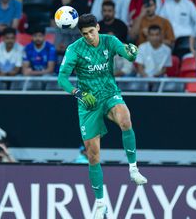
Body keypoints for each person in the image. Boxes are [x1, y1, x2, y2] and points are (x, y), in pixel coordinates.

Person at [57, 14, 147, 219]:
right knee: (93, 154)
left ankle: (133, 168)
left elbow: (127, 53)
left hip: (109, 93)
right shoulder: (74, 49)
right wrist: (78, 93)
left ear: (97, 27)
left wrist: (132, 53)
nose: (88, 36)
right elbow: (62, 79)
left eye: (91, 31)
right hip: (88, 102)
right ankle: (100, 203)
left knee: (125, 119)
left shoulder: (109, 40)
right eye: (84, 33)